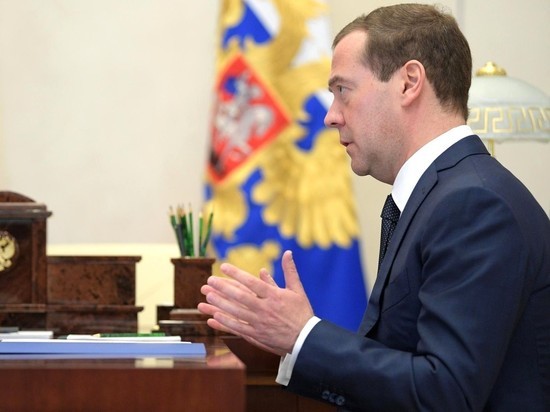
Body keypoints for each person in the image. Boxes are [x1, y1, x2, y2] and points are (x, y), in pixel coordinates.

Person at [198, 3, 550, 411]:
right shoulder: (440, 196)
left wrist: (304, 337)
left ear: (409, 83)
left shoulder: (474, 206)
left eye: (342, 91)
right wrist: (293, 340)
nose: (330, 116)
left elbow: (443, 393)